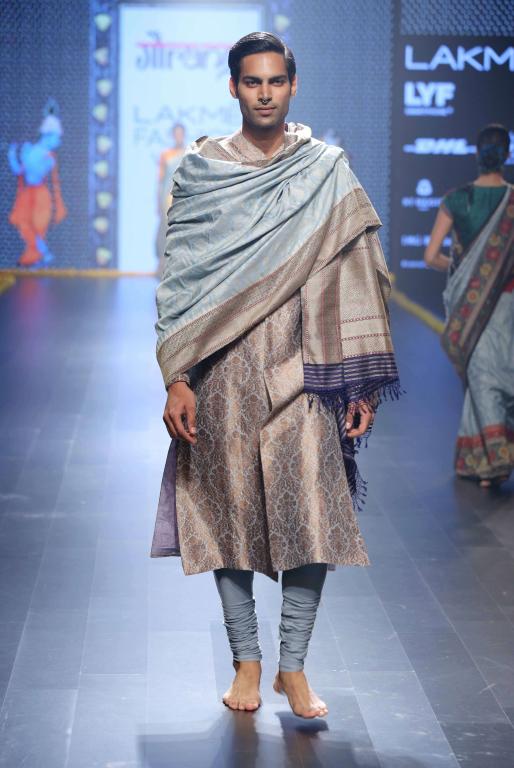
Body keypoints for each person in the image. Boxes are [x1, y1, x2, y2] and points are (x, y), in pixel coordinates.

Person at [152, 32, 401, 719]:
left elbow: (355, 269)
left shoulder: (325, 169)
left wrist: (357, 381)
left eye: (276, 81)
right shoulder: (203, 172)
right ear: (233, 87)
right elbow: (181, 277)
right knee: (227, 514)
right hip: (222, 370)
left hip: (306, 368)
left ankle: (293, 666)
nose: (264, 93)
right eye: (252, 81)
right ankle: (247, 661)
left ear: (293, 85)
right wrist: (179, 375)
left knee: (311, 516)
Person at [424, 123, 513, 487]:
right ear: (507, 156)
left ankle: (493, 462)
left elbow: (431, 256)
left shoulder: (456, 200)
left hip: (469, 305)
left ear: (476, 155)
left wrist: (463, 269)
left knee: (482, 378)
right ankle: (480, 458)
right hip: (508, 303)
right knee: (501, 376)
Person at [8, 102, 67, 267]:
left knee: (38, 224)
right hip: (28, 194)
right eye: (56, 137)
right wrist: (12, 154)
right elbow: (19, 170)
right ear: (47, 135)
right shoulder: (32, 150)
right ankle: (41, 254)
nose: (58, 142)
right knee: (23, 222)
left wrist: (27, 156)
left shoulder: (48, 158)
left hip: (40, 195)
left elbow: (37, 171)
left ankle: (42, 255)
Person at [155, 123, 186, 276]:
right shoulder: (166, 155)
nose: (178, 136)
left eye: (181, 133)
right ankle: (162, 263)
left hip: (183, 195)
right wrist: (157, 202)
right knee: (164, 229)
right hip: (167, 196)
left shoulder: (189, 153)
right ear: (173, 135)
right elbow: (160, 181)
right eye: (176, 133)